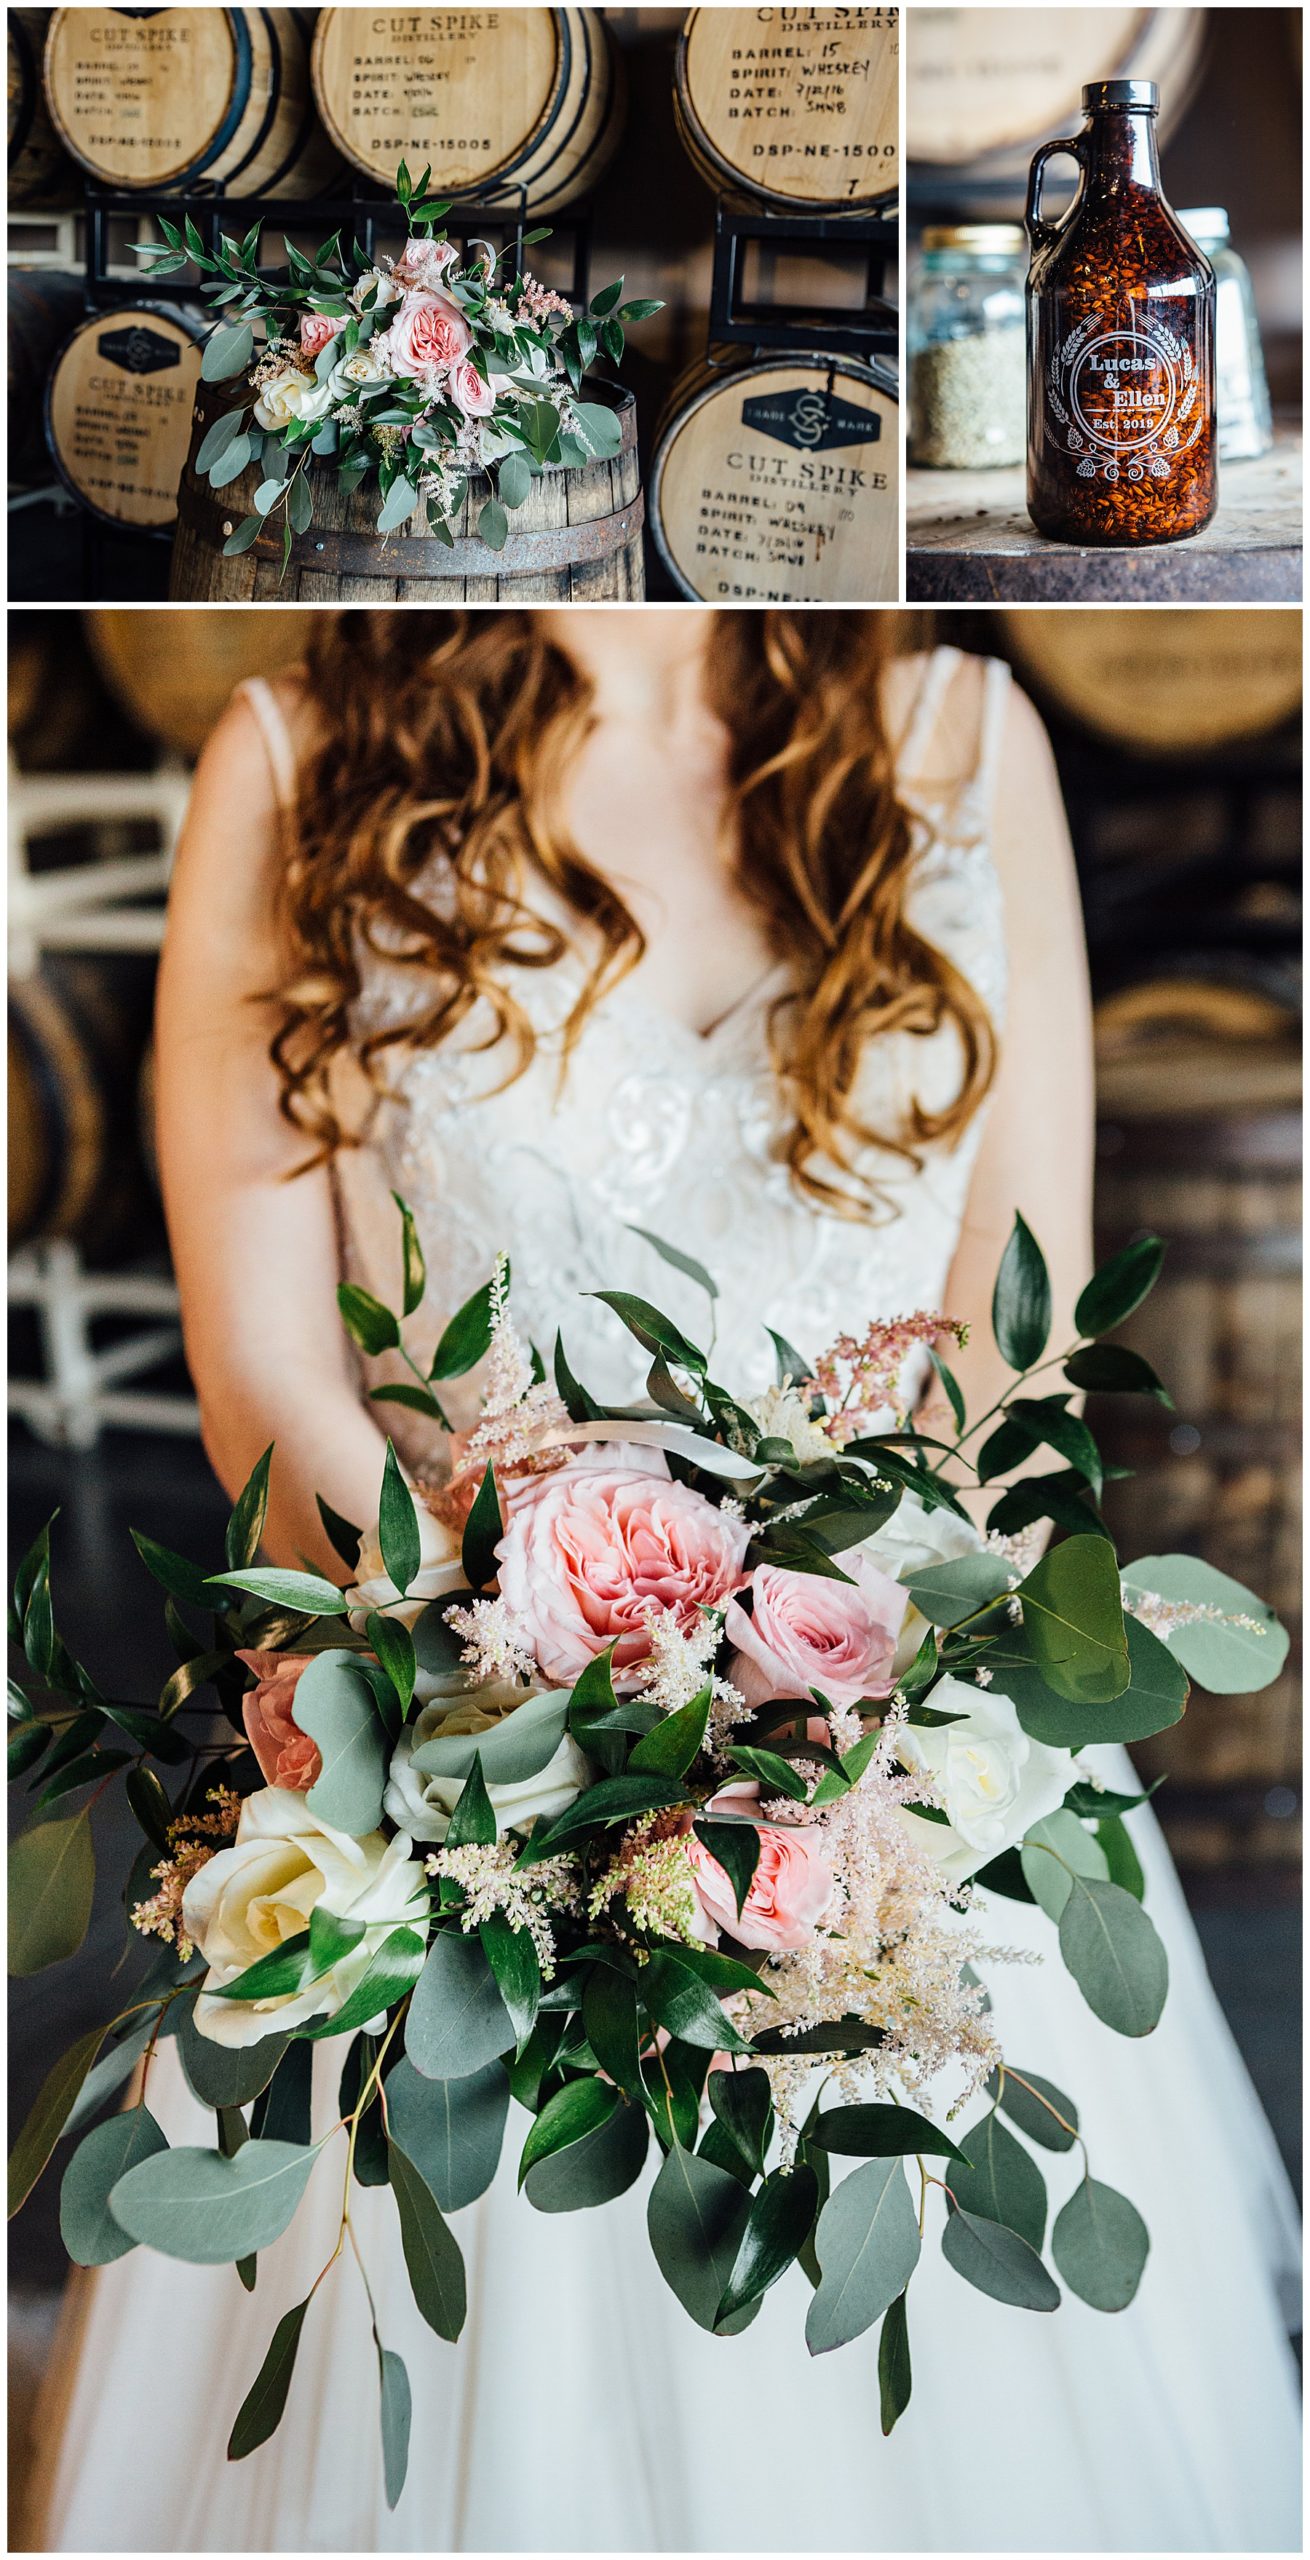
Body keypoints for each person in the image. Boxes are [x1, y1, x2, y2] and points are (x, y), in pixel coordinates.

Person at [32, 611, 1299, 2552]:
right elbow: (266, 1368)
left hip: (882, 1746)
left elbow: (1014, 1334)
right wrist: (524, 1664)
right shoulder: (294, 760)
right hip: (458, 1736)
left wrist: (827, 1691)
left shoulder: (968, 738)